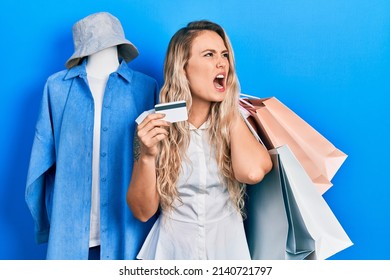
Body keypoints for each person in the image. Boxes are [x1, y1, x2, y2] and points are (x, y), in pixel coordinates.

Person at [126, 20, 272, 260]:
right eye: (209, 54)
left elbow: (253, 172)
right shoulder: (153, 124)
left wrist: (229, 106)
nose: (221, 62)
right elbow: (142, 212)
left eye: (224, 55)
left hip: (229, 255)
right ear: (183, 68)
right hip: (171, 254)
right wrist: (147, 156)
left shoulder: (238, 120)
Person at [25, 12, 158, 259]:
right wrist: (47, 226)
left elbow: (160, 162)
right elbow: (40, 164)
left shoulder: (146, 88)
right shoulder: (56, 88)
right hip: (69, 230)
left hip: (130, 230)